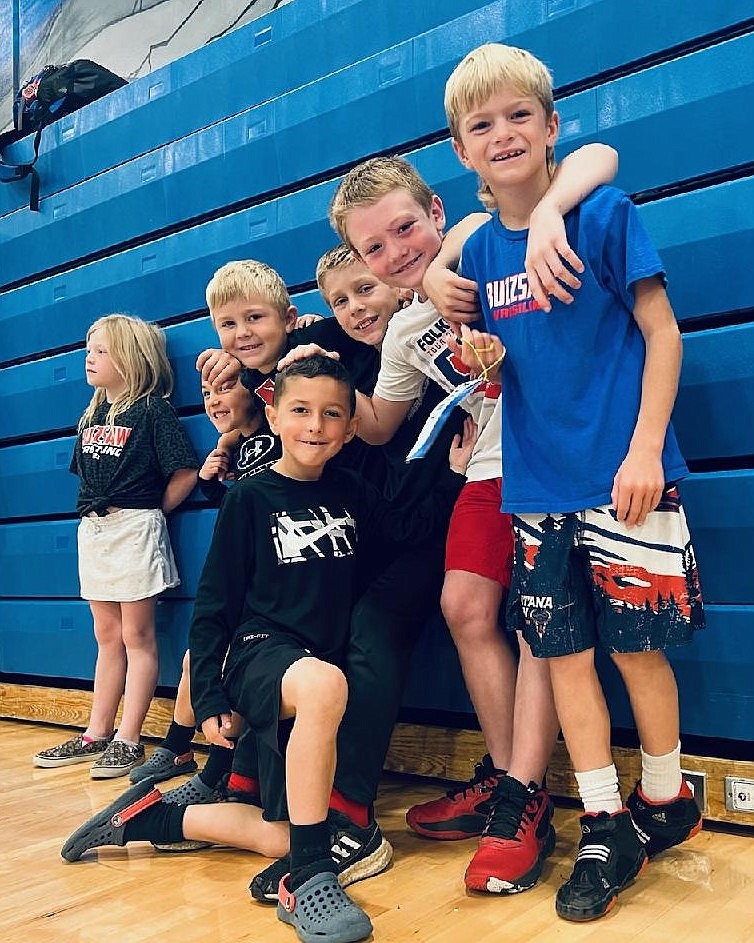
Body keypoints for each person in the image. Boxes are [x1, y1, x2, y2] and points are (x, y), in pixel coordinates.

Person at [62, 355, 476, 943]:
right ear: (274, 416)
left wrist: (456, 474)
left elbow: (409, 529)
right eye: (301, 411)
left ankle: (157, 818)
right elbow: (213, 609)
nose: (316, 425)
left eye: (333, 414)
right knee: (327, 687)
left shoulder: (354, 490)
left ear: (351, 426)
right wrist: (207, 699)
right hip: (261, 652)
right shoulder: (250, 498)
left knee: (291, 830)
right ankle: (307, 881)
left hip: (307, 667)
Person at [300, 142, 616, 895]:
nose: (395, 252)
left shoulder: (479, 242)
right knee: (464, 604)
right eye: (373, 247)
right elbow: (379, 422)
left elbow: (548, 188)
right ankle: (513, 778)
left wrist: (468, 256)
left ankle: (521, 789)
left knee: (542, 617)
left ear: (436, 211)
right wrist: (317, 373)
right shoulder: (406, 331)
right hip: (485, 470)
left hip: (546, 457)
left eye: (405, 229)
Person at [443, 42, 704, 920]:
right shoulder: (477, 253)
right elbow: (495, 368)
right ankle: (602, 818)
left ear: (553, 127)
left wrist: (644, 449)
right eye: (483, 123)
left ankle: (665, 796)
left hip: (625, 474)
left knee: (637, 649)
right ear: (462, 149)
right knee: (562, 659)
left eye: (520, 115)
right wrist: (480, 359)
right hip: (535, 489)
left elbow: (663, 335)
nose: (504, 133)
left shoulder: (604, 213)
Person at [33, 314, 199, 778]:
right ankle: (96, 732)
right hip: (96, 530)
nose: (90, 358)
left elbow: (184, 469)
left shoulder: (151, 410)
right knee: (106, 637)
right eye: (90, 350)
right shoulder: (92, 415)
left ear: (131, 358)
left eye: (101, 351)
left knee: (137, 637)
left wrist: (151, 512)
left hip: (134, 528)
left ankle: (129, 739)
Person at [130, 374, 269, 788]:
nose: (212, 400)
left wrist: (225, 444)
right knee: (199, 657)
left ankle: (208, 764)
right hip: (246, 572)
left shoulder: (277, 433)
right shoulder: (240, 447)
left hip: (273, 579)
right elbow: (240, 510)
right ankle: (179, 748)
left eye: (225, 388)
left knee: (221, 663)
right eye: (206, 393)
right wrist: (210, 482)